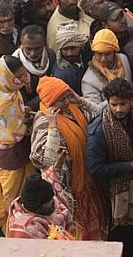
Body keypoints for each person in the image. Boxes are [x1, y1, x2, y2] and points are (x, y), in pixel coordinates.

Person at [29, 76, 106, 240]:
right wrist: (53, 127)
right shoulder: (43, 120)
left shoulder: (74, 110)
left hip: (86, 183)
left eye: (67, 96)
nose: (66, 102)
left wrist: (80, 101)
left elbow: (103, 115)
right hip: (65, 188)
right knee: (73, 233)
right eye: (61, 99)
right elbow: (45, 160)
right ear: (50, 102)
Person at [85, 78, 133, 255]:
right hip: (114, 198)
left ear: (131, 101)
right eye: (114, 105)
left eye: (123, 104)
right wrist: (129, 167)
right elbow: (95, 168)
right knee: (121, 240)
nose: (119, 109)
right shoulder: (99, 131)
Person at [0, 55, 36, 237]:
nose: (24, 79)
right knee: (13, 199)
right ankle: (12, 233)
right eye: (19, 76)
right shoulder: (4, 102)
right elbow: (16, 132)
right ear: (6, 77)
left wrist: (22, 113)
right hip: (11, 155)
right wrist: (32, 122)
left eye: (23, 74)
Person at [7, 149, 76, 239]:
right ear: (40, 206)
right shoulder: (27, 229)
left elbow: (49, 179)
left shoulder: (33, 203)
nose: (54, 202)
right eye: (50, 201)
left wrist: (58, 165)